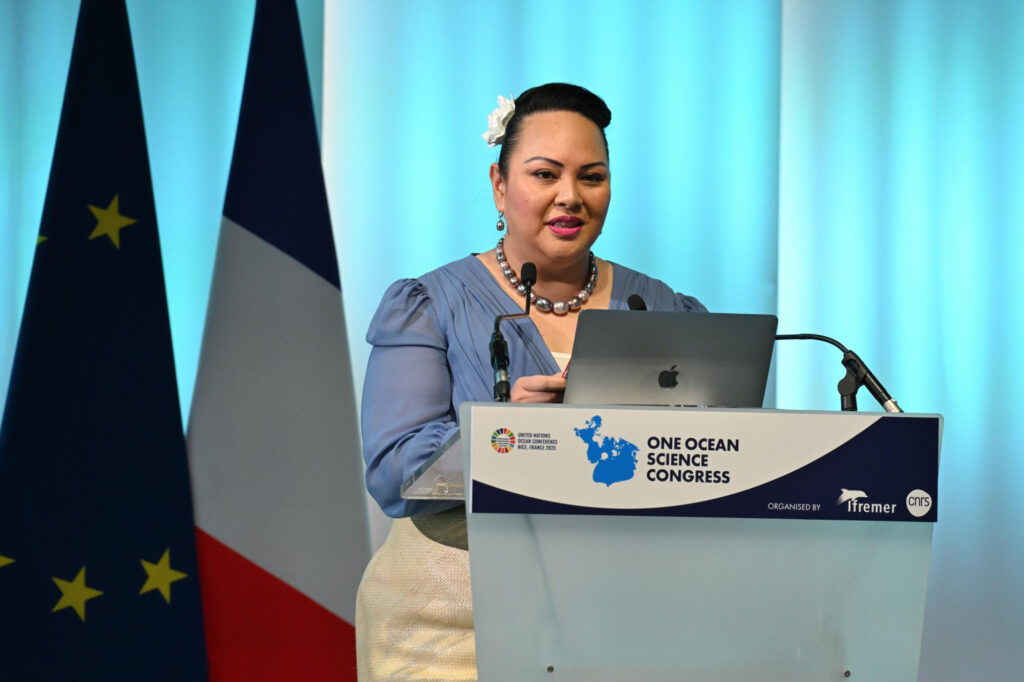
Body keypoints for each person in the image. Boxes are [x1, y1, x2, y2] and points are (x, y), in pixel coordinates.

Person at [355, 83, 706, 680]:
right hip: (451, 619)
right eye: (545, 175)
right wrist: (501, 435)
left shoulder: (663, 308)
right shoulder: (429, 304)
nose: (569, 197)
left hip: (622, 615)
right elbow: (394, 473)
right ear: (498, 184)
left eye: (591, 177)